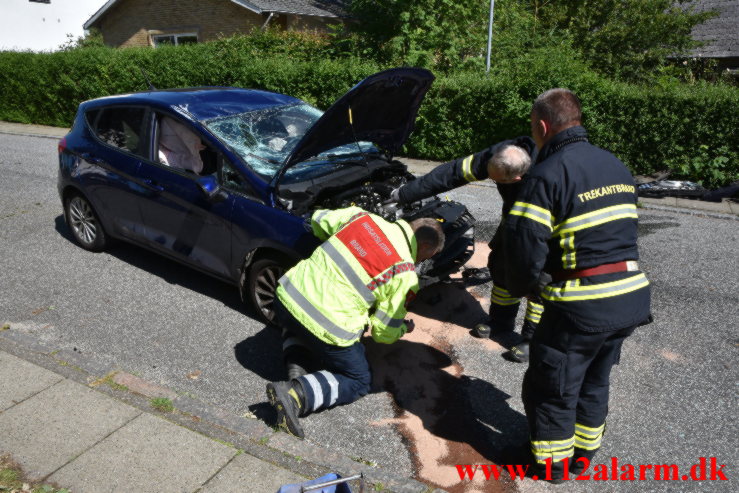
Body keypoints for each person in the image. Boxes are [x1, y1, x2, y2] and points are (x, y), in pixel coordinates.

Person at [503, 89, 651, 482]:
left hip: (583, 303)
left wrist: (526, 287)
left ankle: (551, 467)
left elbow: (524, 246)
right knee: (594, 379)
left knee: (552, 386)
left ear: (542, 126)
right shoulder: (614, 164)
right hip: (628, 296)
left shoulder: (546, 174)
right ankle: (583, 455)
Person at [266, 206, 445, 439]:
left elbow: (318, 220)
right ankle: (295, 394)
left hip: (286, 296)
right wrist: (403, 327)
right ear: (423, 248)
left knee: (301, 320)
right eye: (425, 258)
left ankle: (298, 363)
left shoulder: (362, 218)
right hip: (325, 325)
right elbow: (383, 333)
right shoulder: (404, 273)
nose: (420, 262)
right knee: (359, 380)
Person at [391, 138, 542, 361]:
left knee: (538, 282)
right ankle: (501, 321)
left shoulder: (548, 173)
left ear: (518, 178)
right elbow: (452, 173)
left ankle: (533, 339)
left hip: (543, 230)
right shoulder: (499, 154)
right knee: (501, 266)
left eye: (499, 180)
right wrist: (404, 194)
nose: (493, 181)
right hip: (513, 222)